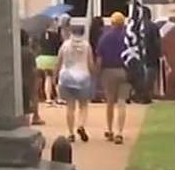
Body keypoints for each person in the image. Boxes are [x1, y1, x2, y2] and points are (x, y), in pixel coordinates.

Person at [55, 23, 95, 143]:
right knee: (83, 105)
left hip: (67, 77)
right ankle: (81, 125)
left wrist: (55, 75)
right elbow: (90, 63)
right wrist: (93, 75)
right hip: (83, 77)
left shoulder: (65, 45)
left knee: (70, 106)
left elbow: (59, 61)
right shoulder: (86, 45)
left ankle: (71, 133)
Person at [96, 12, 131, 144]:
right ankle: (120, 132)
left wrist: (97, 74)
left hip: (108, 71)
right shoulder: (128, 37)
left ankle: (110, 130)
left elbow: (99, 58)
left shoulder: (104, 37)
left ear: (111, 23)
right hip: (124, 71)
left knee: (110, 102)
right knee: (122, 102)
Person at [36, 17, 64, 108]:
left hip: (42, 59)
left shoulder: (41, 35)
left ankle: (48, 98)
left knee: (48, 77)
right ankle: (59, 98)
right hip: (53, 58)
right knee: (56, 79)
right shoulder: (56, 35)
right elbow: (60, 47)